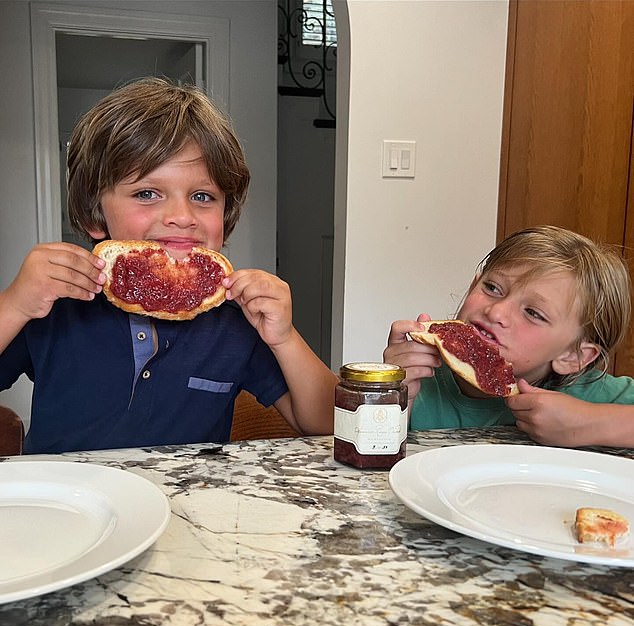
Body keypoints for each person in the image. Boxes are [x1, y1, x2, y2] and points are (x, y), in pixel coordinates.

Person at [0, 77, 338, 454]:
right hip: (68, 503)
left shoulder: (236, 323)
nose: (182, 216)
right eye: (147, 193)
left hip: (187, 506)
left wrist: (285, 338)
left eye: (203, 196)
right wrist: (14, 305)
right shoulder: (54, 306)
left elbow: (325, 423)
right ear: (95, 214)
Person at [384, 225, 634, 448]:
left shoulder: (585, 392)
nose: (496, 311)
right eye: (492, 288)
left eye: (533, 313)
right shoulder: (420, 379)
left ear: (574, 356)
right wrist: (388, 394)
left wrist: (588, 422)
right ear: (473, 286)